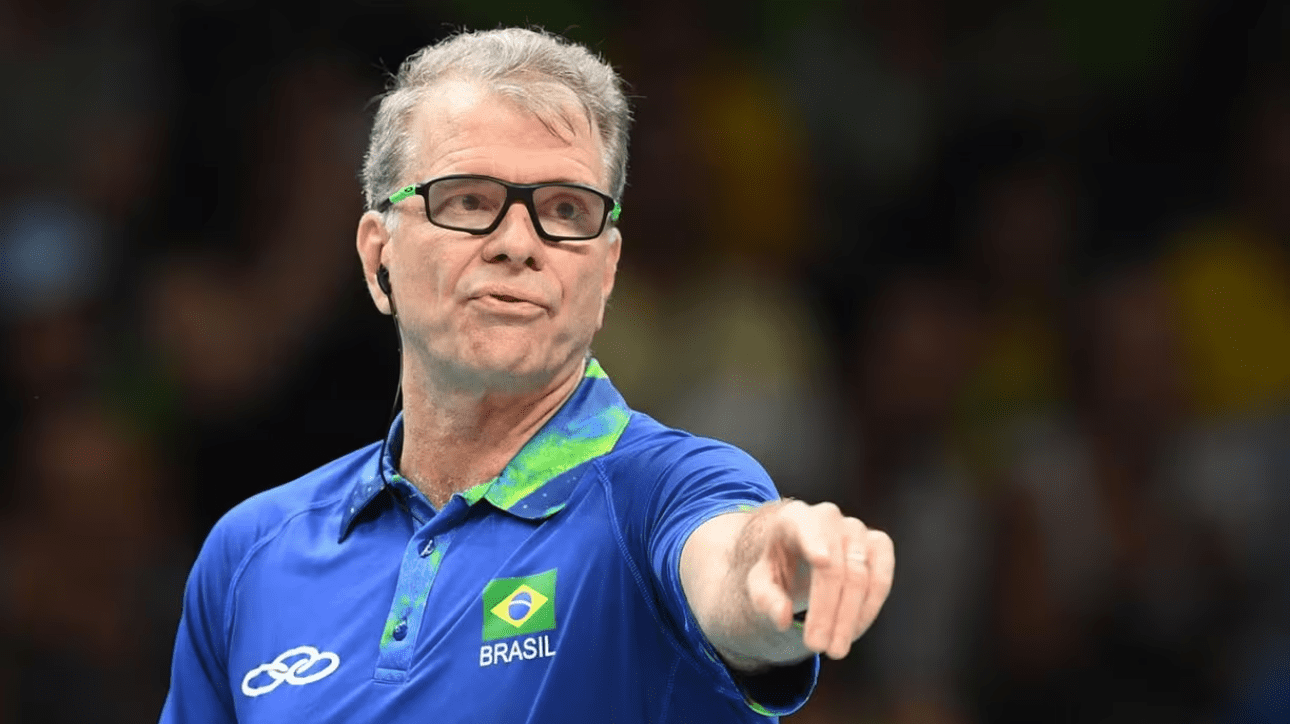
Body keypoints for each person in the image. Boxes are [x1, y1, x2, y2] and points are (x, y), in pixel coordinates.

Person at [159, 27, 894, 723]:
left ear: (605, 272)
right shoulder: (250, 553)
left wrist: (775, 573)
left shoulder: (662, 489)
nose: (518, 243)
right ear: (376, 255)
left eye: (566, 210)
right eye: (469, 200)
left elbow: (728, 559)